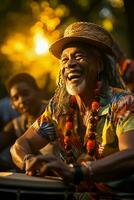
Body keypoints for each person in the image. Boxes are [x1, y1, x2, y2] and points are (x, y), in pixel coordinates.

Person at [10, 22, 134, 197]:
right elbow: (21, 145)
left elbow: (131, 155)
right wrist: (28, 161)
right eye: (65, 59)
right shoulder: (58, 108)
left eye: (79, 56)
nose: (70, 64)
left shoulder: (123, 103)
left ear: (99, 65)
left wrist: (78, 172)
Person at [0, 73, 49, 171]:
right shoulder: (17, 124)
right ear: (12, 104)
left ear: (39, 92)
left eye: (25, 93)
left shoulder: (57, 112)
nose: (21, 100)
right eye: (16, 98)